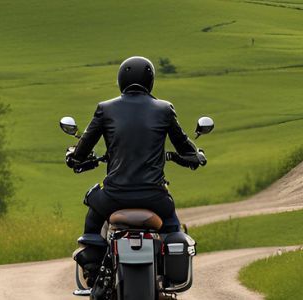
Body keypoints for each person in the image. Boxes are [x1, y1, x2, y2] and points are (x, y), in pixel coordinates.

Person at [67, 56, 207, 283]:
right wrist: (196, 156)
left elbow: (83, 148)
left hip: (114, 196)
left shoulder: (105, 109)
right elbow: (184, 145)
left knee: (92, 220)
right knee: (173, 227)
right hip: (155, 197)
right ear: (150, 81)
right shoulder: (164, 109)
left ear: (121, 80)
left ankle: (93, 271)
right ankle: (168, 274)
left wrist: (75, 157)